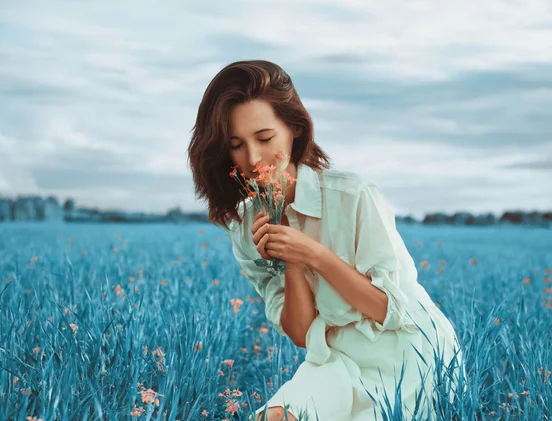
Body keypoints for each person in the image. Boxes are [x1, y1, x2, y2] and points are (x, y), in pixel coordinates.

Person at [187, 60, 465, 421]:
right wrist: (292, 262)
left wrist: (315, 254)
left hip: (409, 353)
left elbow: (388, 311)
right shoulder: (245, 228)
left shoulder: (353, 196)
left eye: (265, 138)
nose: (253, 158)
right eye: (236, 145)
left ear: (295, 130)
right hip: (334, 359)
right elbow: (302, 334)